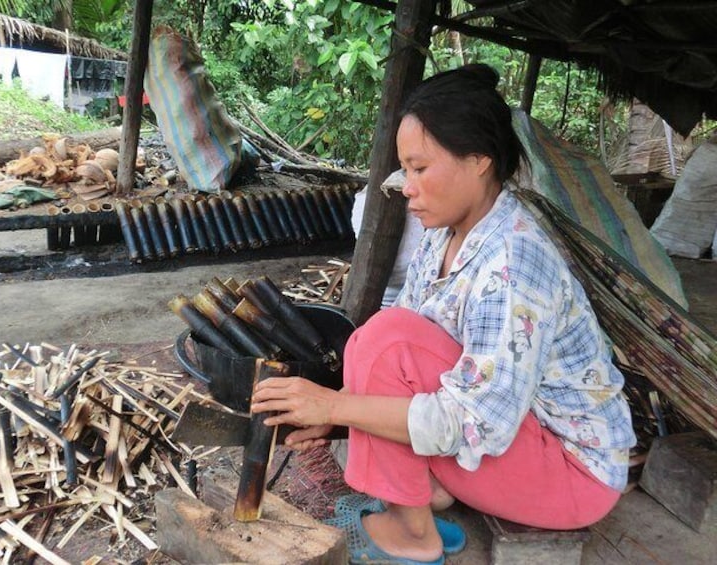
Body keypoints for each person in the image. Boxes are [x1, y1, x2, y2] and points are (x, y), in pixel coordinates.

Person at [251, 64, 636, 565]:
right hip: (523, 446)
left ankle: (414, 533)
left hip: (571, 474)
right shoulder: (444, 236)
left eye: (419, 168)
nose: (406, 186)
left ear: (478, 160)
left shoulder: (513, 264)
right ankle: (422, 497)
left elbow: (480, 422)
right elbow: (402, 351)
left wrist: (333, 407)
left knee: (384, 341)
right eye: (404, 170)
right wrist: (337, 410)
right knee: (378, 338)